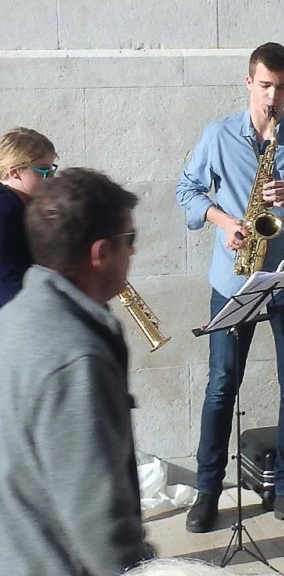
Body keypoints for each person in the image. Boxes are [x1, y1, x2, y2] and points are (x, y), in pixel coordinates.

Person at [176, 42, 284, 534]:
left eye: (283, 87)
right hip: (233, 281)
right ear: (249, 82)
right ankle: (208, 491)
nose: (274, 97)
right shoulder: (217, 135)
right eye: (266, 86)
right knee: (221, 386)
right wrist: (224, 221)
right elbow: (186, 189)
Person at [0, 168, 151, 574]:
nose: (133, 253)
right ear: (101, 253)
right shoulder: (76, 359)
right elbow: (100, 524)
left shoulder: (16, 317)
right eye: (129, 241)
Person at [0, 127, 57, 308]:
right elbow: (9, 285)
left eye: (52, 170)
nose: (50, 179)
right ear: (15, 171)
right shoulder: (4, 212)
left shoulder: (24, 207)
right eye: (43, 171)